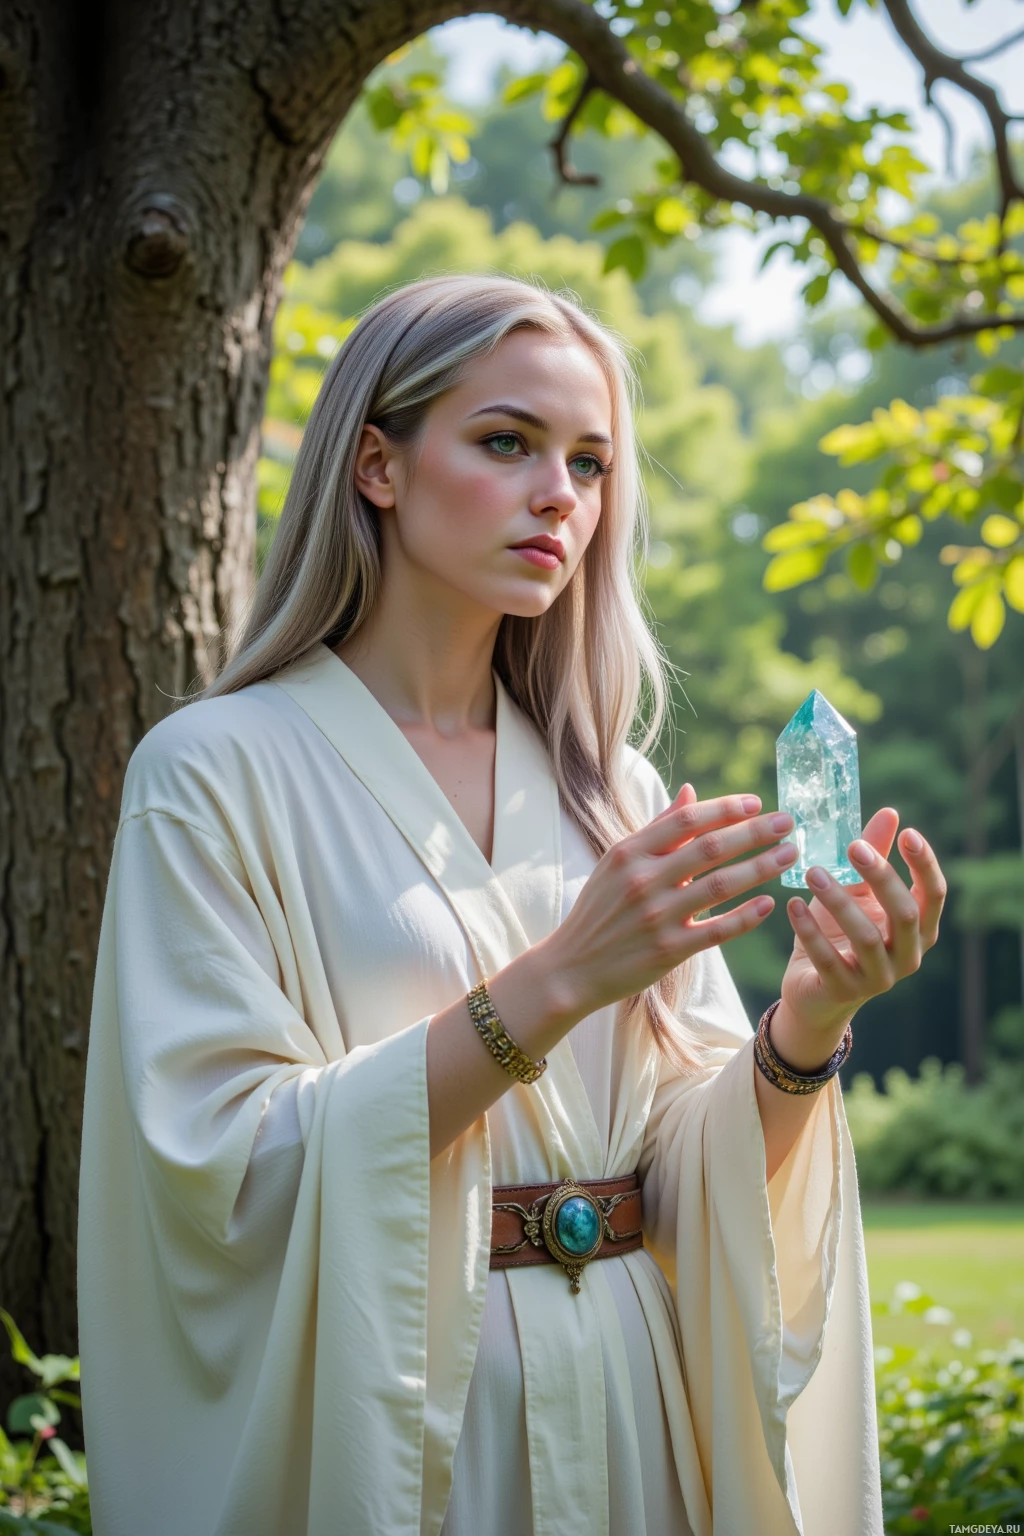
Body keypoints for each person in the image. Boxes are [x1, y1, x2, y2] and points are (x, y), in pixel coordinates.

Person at [78, 272, 947, 1536]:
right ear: (376, 464)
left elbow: (686, 1176)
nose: (560, 495)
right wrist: (557, 981)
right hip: (413, 1432)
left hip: (633, 1418)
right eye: (507, 443)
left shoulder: (611, 788)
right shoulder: (215, 773)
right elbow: (220, 1173)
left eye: (589, 462)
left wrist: (807, 1024)